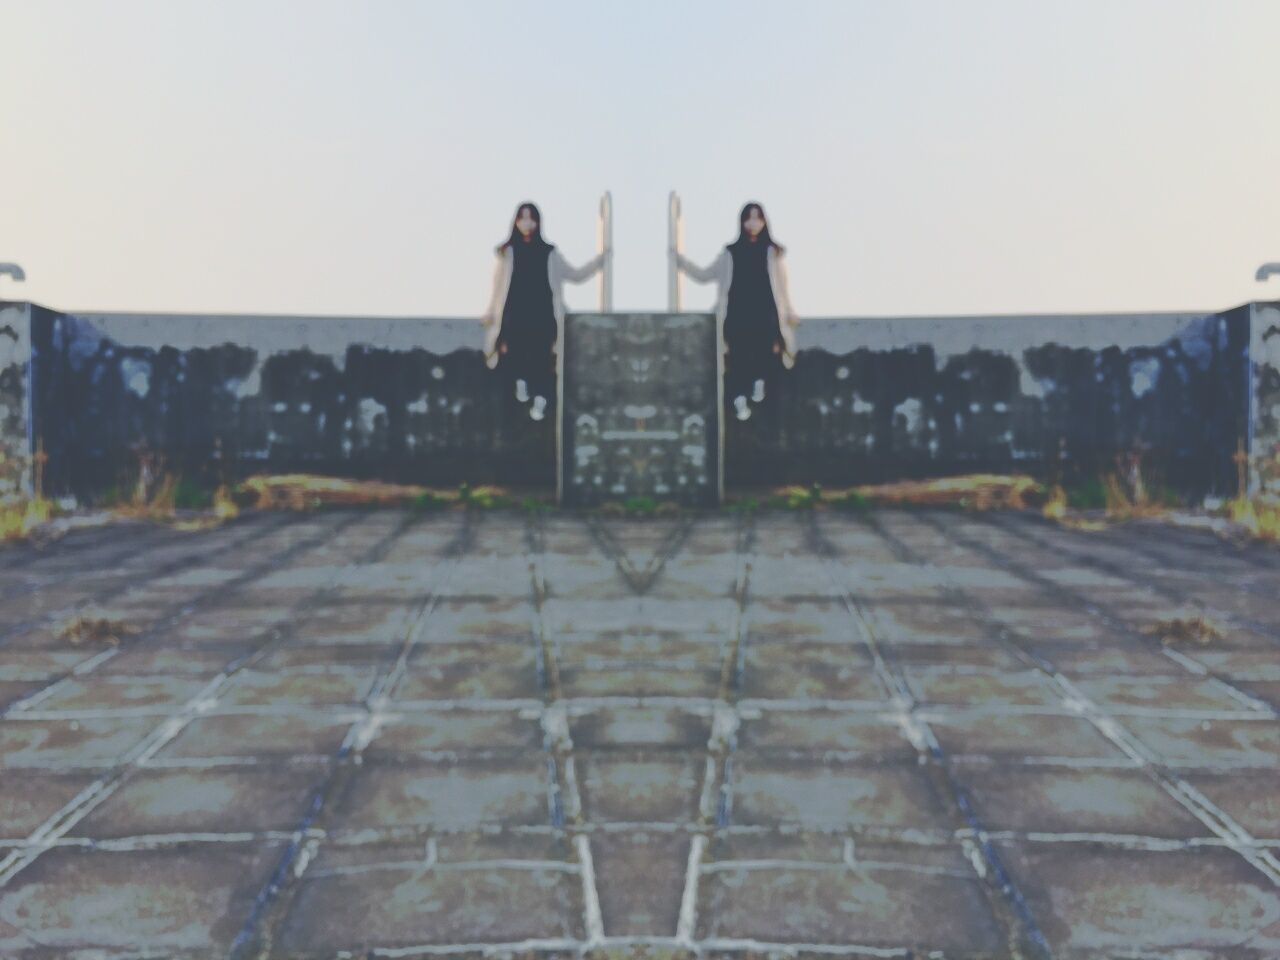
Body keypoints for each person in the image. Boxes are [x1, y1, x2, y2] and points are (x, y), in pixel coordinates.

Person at [481, 202, 610, 421]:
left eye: (531, 218)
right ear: (516, 222)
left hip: (542, 316)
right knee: (510, 353)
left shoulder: (549, 252)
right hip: (514, 316)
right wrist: (491, 311)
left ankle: (540, 399)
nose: (527, 223)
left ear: (538, 222)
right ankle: (522, 384)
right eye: (522, 218)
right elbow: (498, 285)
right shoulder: (508, 252)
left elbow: (575, 275)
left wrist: (600, 261)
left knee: (543, 359)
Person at [671, 201, 799, 421]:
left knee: (770, 351)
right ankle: (739, 399)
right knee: (736, 358)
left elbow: (782, 286)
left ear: (764, 222)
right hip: (737, 315)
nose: (753, 223)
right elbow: (704, 275)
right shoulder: (731, 253)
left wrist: (789, 311)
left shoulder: (772, 252)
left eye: (758, 218)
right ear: (742, 222)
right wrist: (680, 261)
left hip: (766, 315)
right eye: (749, 218)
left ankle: (758, 384)